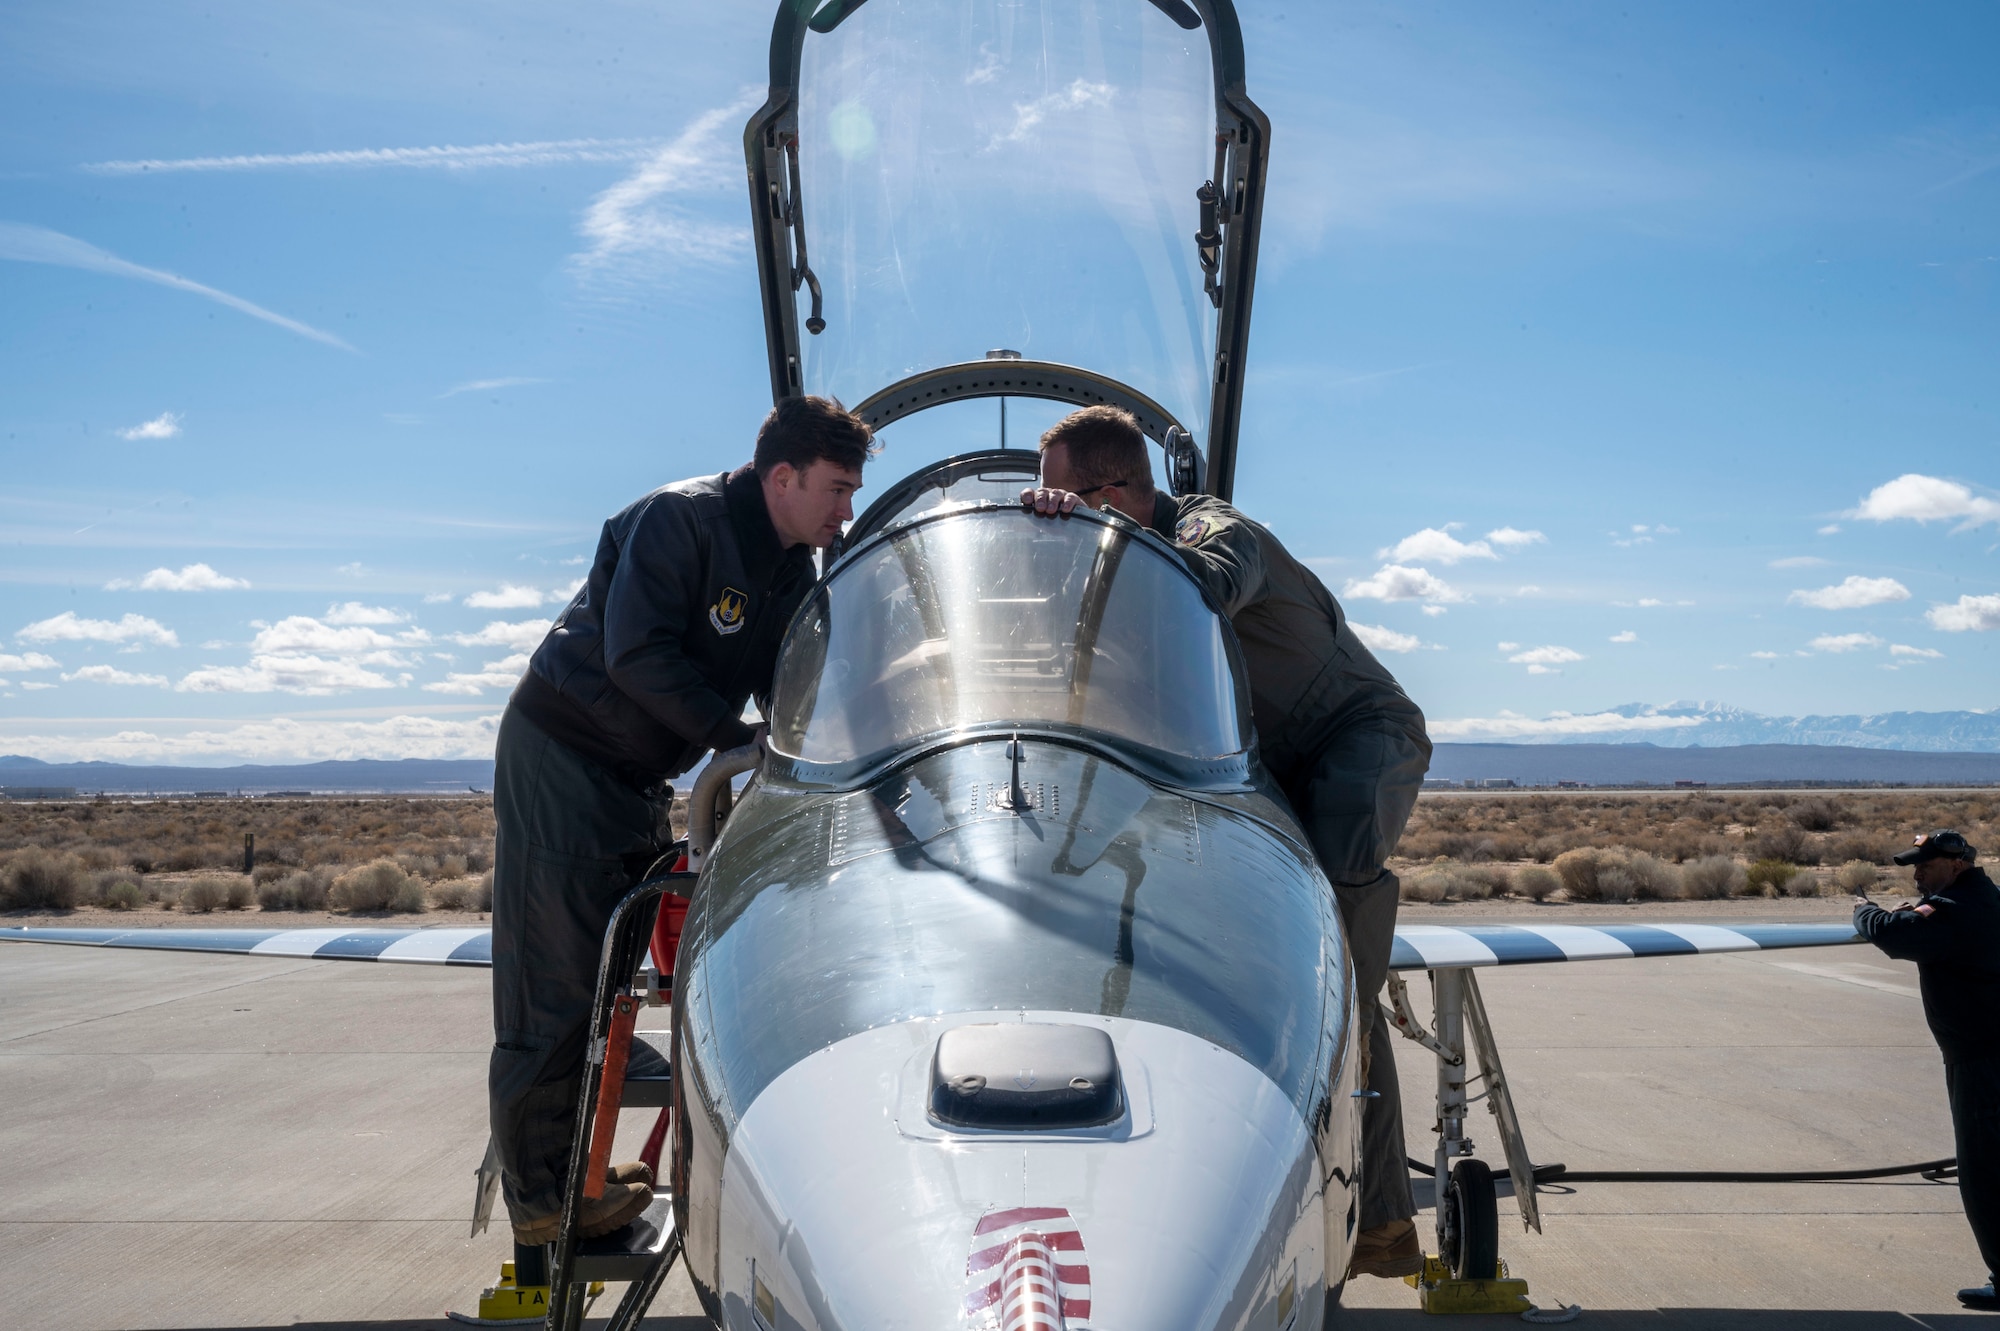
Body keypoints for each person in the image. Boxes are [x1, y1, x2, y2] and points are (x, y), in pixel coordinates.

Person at [1022, 405, 1433, 1278]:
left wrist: (1087, 542)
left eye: (1060, 494)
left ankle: (1381, 1221)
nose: (1045, 507)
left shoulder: (1213, 530)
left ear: (1119, 492)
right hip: (1265, 761)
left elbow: (1207, 584)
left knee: (1332, 967)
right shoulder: (1118, 557)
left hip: (1356, 742)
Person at [491, 396, 874, 1245]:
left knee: (605, 988)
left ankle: (578, 1177)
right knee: (552, 991)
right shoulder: (683, 520)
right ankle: (543, 1201)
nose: (846, 510)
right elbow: (635, 652)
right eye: (838, 489)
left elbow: (789, 682)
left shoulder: (789, 570)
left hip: (631, 776)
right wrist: (732, 736)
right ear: (784, 476)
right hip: (564, 754)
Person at [1853, 829, 2000, 1311]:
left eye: (1926, 865)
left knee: (1984, 1170)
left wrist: (1864, 911)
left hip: (1982, 1057)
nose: (1917, 874)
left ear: (1956, 865)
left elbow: (1896, 937)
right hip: (1983, 1050)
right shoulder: (1982, 898)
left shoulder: (1958, 908)